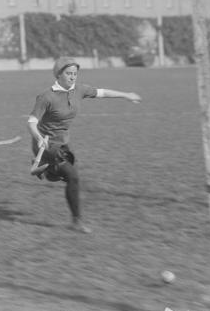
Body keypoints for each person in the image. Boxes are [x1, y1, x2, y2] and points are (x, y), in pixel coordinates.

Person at [27, 57, 141, 234]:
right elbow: (32, 122)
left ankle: (44, 169)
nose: (73, 77)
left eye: (75, 73)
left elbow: (102, 92)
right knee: (72, 176)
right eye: (68, 73)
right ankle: (77, 222)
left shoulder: (79, 90)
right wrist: (38, 137)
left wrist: (126, 95)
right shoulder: (46, 97)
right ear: (58, 74)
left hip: (63, 142)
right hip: (44, 144)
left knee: (67, 176)